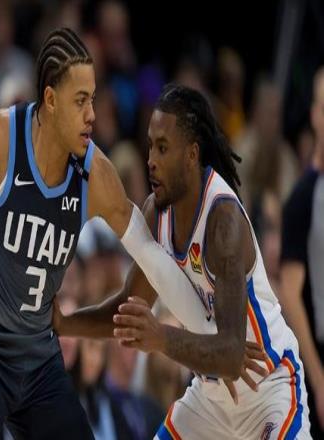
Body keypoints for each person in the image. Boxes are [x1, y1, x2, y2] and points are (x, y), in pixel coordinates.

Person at [0, 28, 259, 439]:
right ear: (51, 100)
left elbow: (152, 259)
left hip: (39, 358)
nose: (92, 114)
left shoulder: (97, 176)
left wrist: (215, 341)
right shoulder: (2, 137)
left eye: (93, 99)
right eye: (81, 100)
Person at [55, 84, 311, 439]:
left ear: (192, 154)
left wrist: (160, 337)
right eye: (149, 145)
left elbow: (232, 354)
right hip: (211, 400)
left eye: (163, 148)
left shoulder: (223, 221)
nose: (151, 160)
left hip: (268, 391)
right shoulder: (156, 213)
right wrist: (64, 324)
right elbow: (127, 309)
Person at [280, 66, 324, 438]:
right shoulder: (302, 199)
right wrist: (319, 379)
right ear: (315, 115)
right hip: (316, 369)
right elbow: (290, 294)